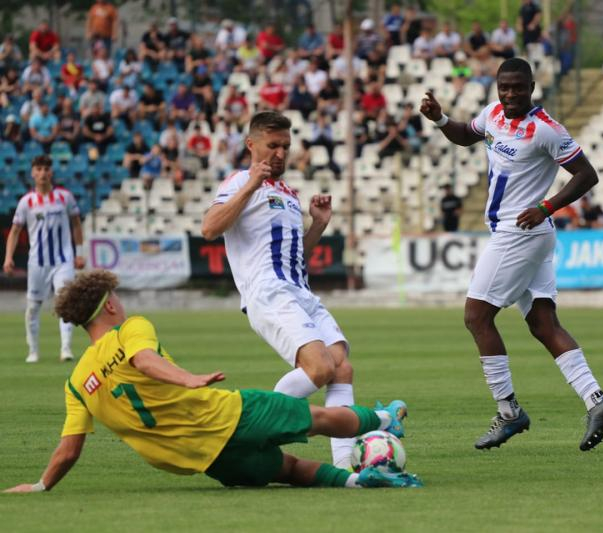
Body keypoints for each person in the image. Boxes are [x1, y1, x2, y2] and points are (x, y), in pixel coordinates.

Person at [3, 270, 421, 493]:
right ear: (110, 304)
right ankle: (385, 422)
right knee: (313, 416)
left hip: (203, 459)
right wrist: (188, 378)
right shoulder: (130, 329)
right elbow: (145, 361)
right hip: (226, 414)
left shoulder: (77, 382)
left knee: (289, 470)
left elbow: (70, 448)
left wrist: (41, 485)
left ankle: (357, 480)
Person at [420, 58, 603, 451]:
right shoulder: (493, 114)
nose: (510, 95)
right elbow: (465, 135)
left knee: (476, 316)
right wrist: (441, 119)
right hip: (525, 233)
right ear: (497, 87)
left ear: (532, 87)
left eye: (518, 88)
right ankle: (597, 400)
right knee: (544, 324)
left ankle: (509, 412)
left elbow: (587, 174)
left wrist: (546, 207)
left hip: (522, 230)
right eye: (504, 87)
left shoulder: (545, 130)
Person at [201, 111, 360, 468]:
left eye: (285, 147)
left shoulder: (288, 193)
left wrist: (317, 225)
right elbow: (210, 228)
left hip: (299, 290)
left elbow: (295, 257)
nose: (279, 154)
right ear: (251, 144)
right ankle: (255, 430)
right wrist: (250, 186)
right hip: (268, 292)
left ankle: (347, 466)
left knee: (341, 368)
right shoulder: (240, 181)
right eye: (272, 146)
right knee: (318, 369)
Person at [3, 155, 85, 363]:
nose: (43, 173)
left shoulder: (65, 197)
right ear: (32, 173)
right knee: (33, 307)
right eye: (38, 169)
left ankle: (65, 348)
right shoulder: (26, 202)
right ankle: (33, 351)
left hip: (63, 260)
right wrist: (8, 258)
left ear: (52, 172)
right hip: (37, 263)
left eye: (46, 169)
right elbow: (14, 231)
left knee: (64, 301)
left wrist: (80, 252)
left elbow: (76, 224)